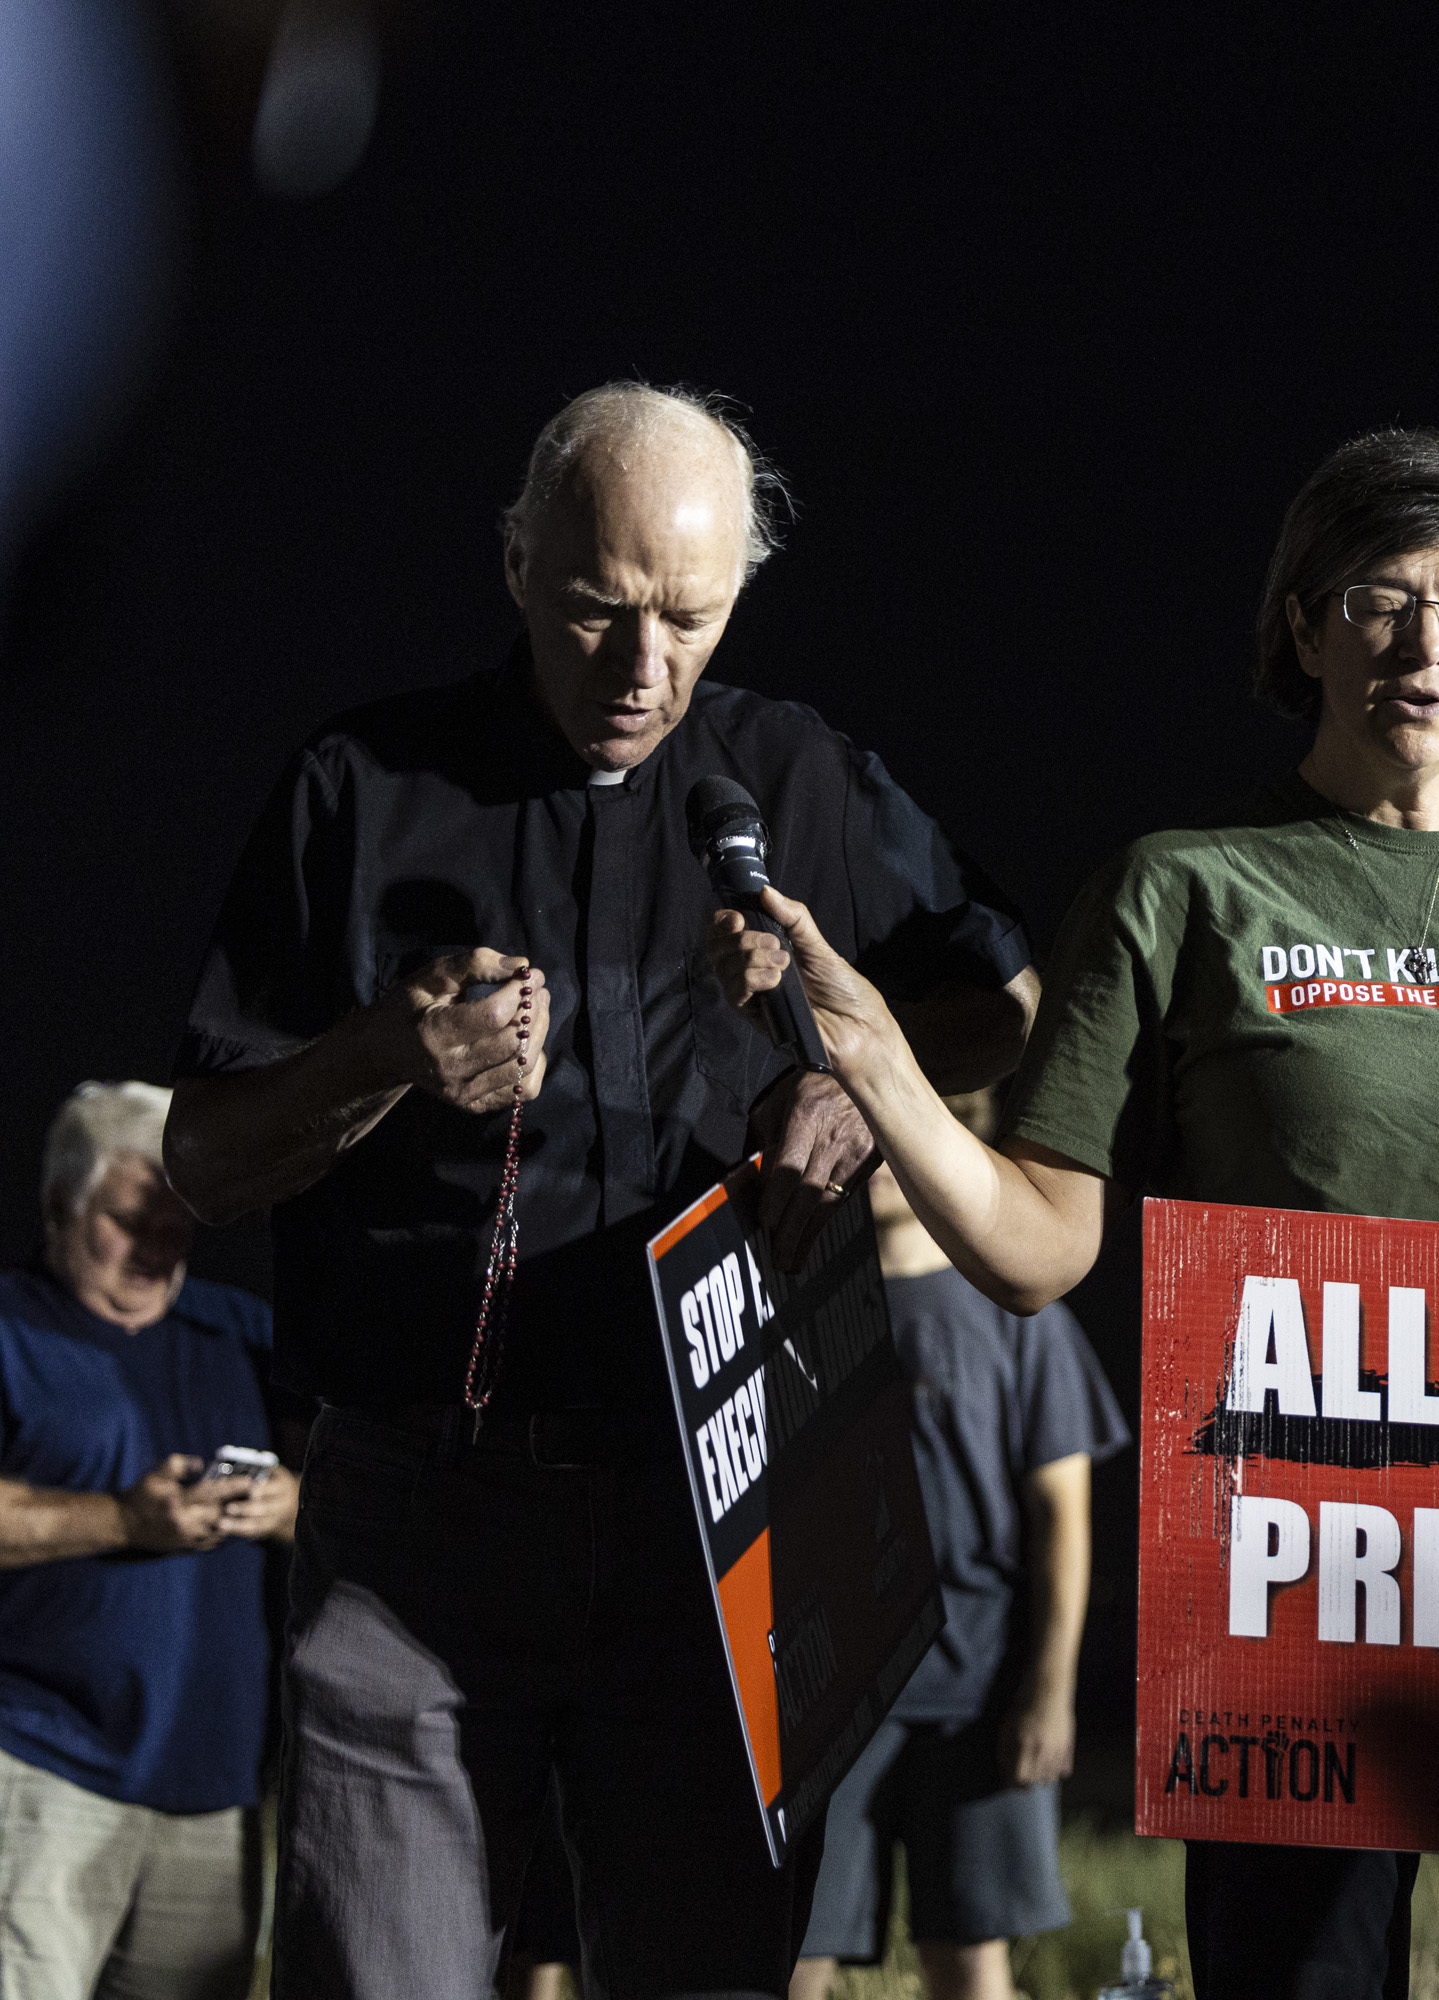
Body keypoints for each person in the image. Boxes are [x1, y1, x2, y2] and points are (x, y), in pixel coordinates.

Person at [711, 427, 1439, 2000]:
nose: (1424, 644)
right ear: (1302, 627)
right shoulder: (1181, 888)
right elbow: (1037, 1244)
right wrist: (879, 1066)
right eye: (1376, 599)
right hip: (1300, 1570)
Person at [162, 382, 1042, 1999]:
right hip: (414, 1518)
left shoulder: (805, 779)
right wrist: (377, 1057)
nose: (643, 670)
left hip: (714, 1505)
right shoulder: (358, 783)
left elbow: (1008, 999)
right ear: (514, 564)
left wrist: (860, 1078)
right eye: (597, 610)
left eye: (689, 619)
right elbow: (202, 1161)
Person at [789, 1090, 1128, 2000]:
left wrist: (1050, 1691)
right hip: (837, 1699)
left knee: (971, 1958)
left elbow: (1065, 1519)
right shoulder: (803, 1307)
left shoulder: (1025, 1316)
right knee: (793, 1952)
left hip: (980, 1688)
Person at [0, 1081, 296, 2000]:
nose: (157, 1251)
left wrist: (294, 1508)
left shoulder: (239, 1330)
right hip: (41, 1774)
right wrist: (124, 1520)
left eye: (177, 1227)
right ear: (60, 1204)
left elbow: (365, 1501)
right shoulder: (11, 1326)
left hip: (214, 1798)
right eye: (131, 1222)